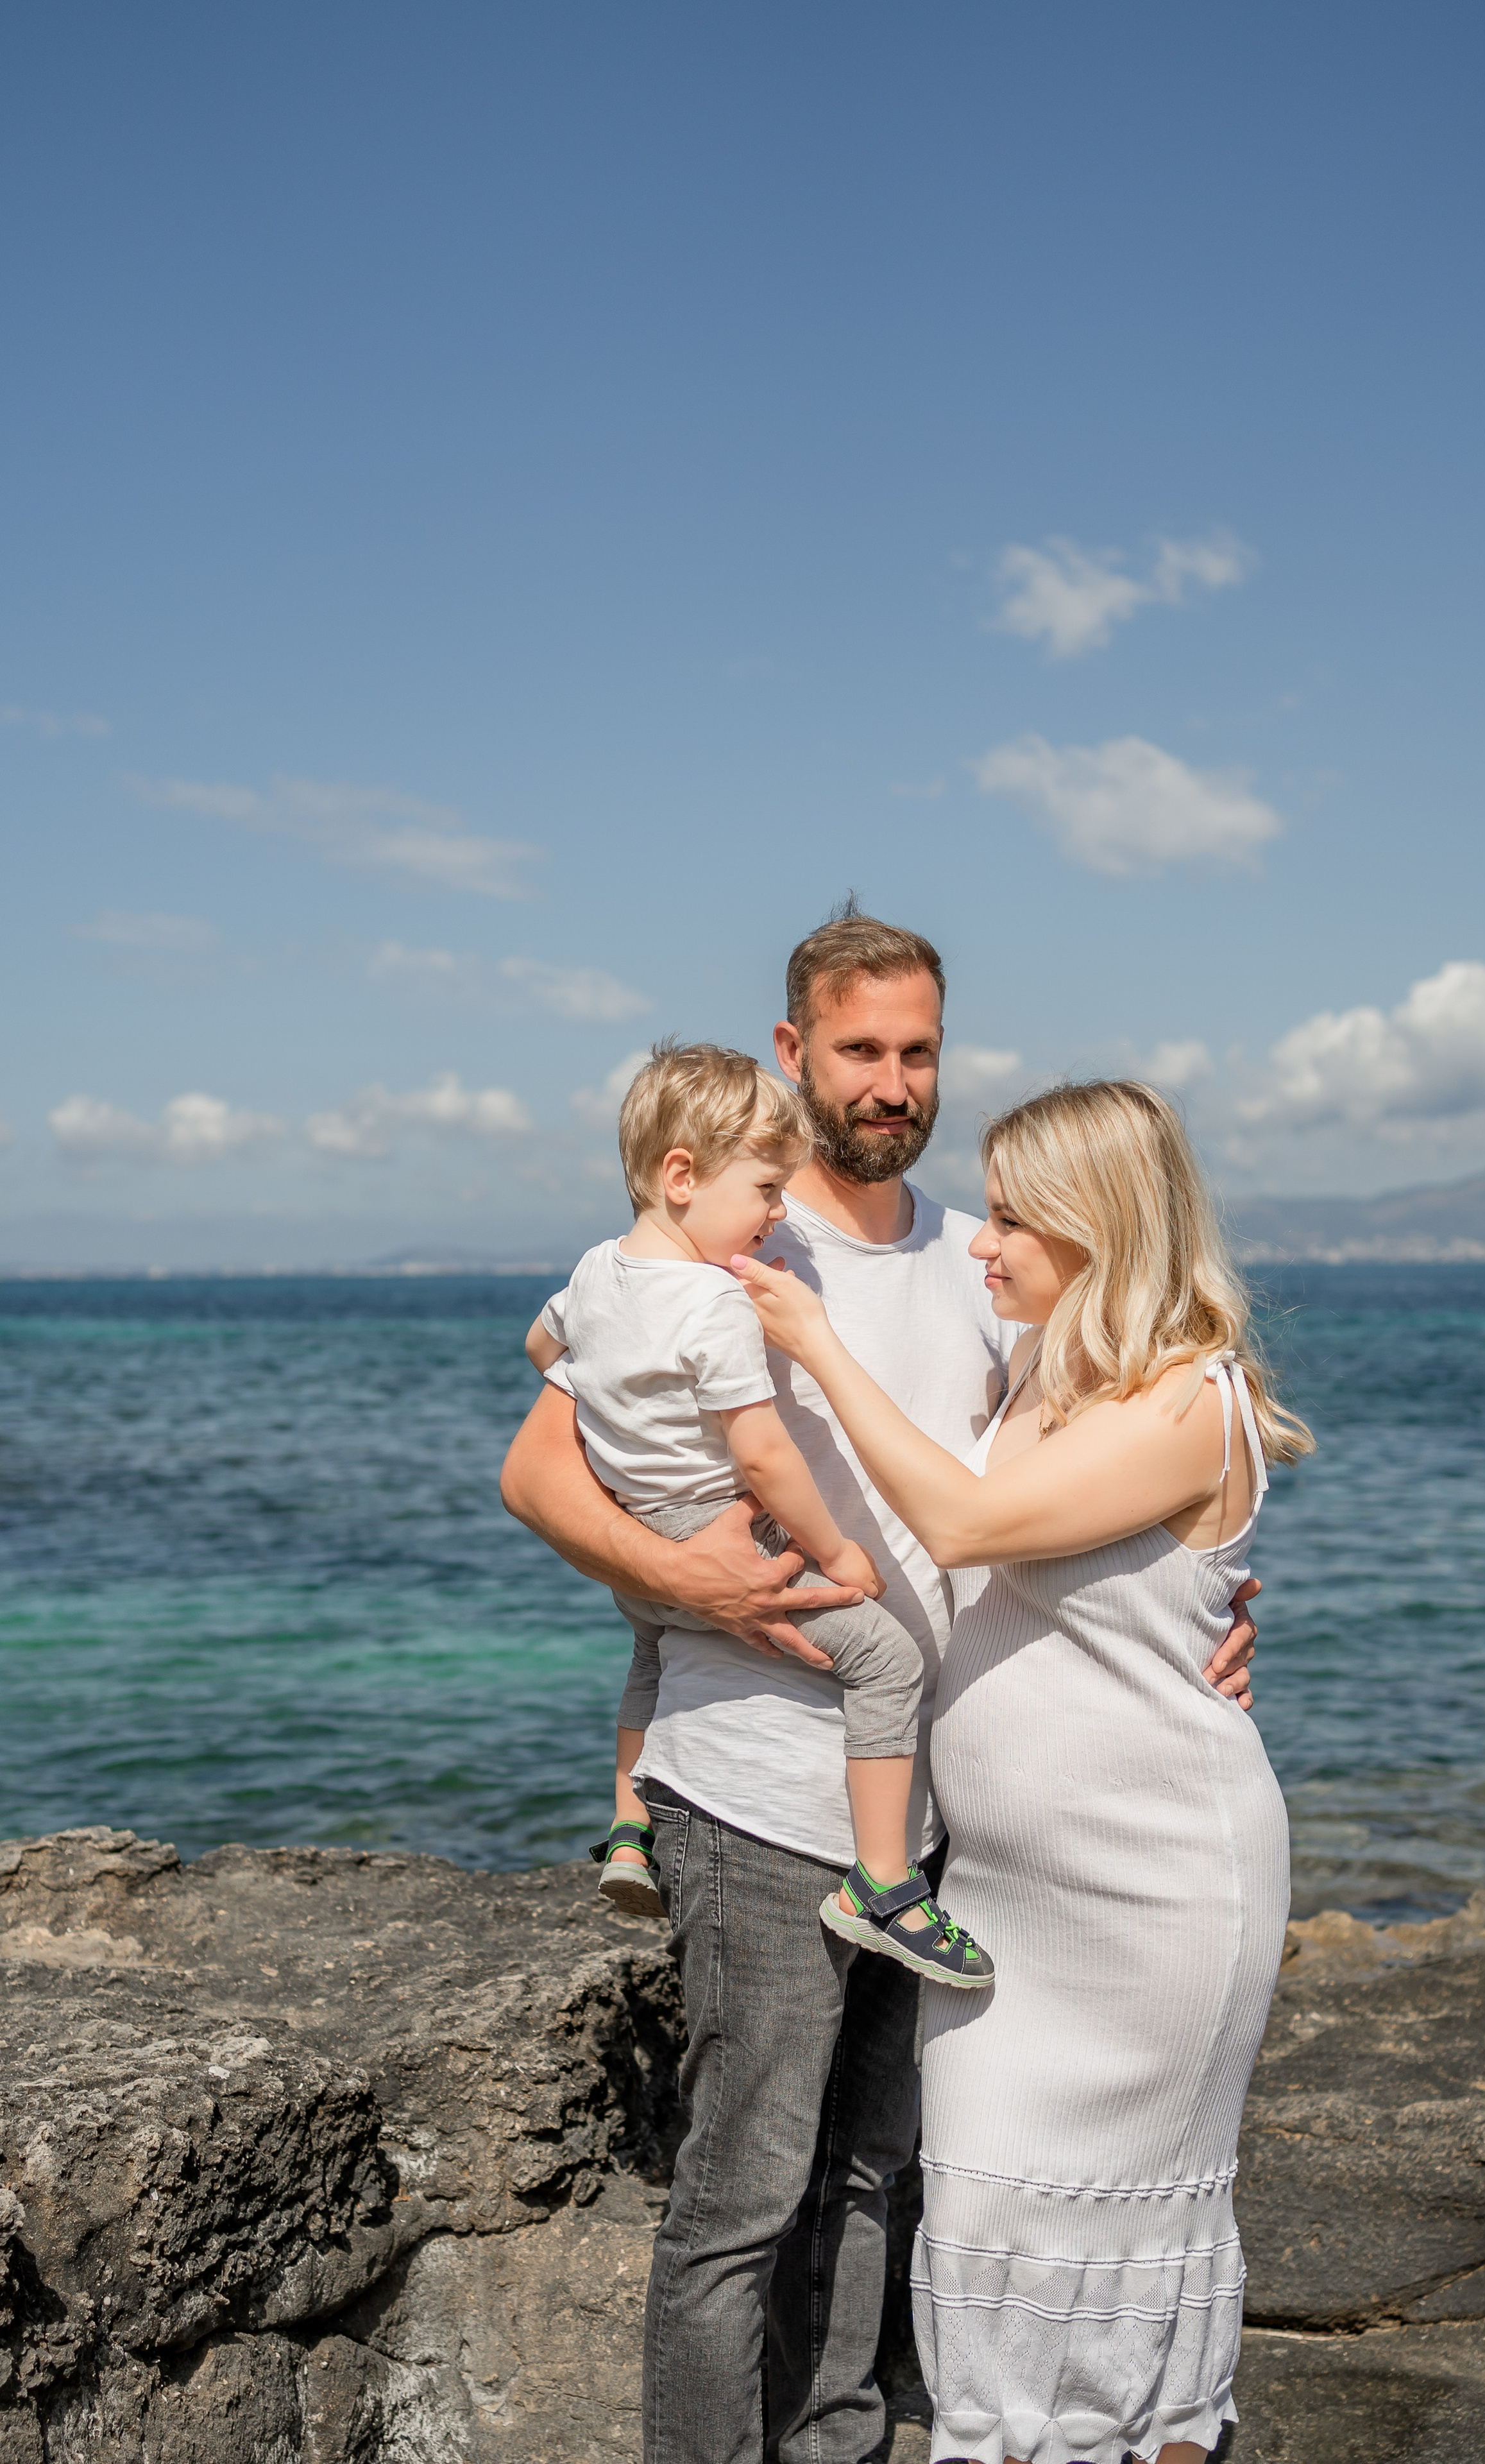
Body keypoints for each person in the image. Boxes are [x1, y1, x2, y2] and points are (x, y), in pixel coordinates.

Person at [499, 904, 1259, 2464]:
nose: (890, 1081)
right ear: (794, 1051)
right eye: (858, 1049)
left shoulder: (981, 1261)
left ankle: (839, 2443)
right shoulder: (729, 1239)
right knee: (742, 2195)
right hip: (760, 1786)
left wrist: (1212, 1604)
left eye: (917, 1051)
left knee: (869, 2177)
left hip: (920, 1829)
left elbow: (1095, 1473)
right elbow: (537, 1470)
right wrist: (679, 1576)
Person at [731, 1078, 1313, 2464]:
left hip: (1154, 1893)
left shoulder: (1192, 1394)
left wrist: (814, 1342)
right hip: (1003, 1895)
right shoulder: (1044, 1365)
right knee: (990, 2220)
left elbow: (971, 1518)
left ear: (1098, 1226)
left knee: (1130, 2234)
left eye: (1008, 1218)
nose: (979, 1245)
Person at [524, 1036, 992, 1984]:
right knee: (889, 1661)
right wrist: (840, 1552)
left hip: (644, 1538)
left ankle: (626, 1827)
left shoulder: (593, 1273)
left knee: (648, 1654)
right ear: (683, 1176)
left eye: (920, 1050)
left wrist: (624, 1426)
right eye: (765, 1193)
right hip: (725, 1544)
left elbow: (544, 1347)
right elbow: (763, 1451)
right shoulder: (714, 1304)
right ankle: (884, 1884)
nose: (776, 1214)